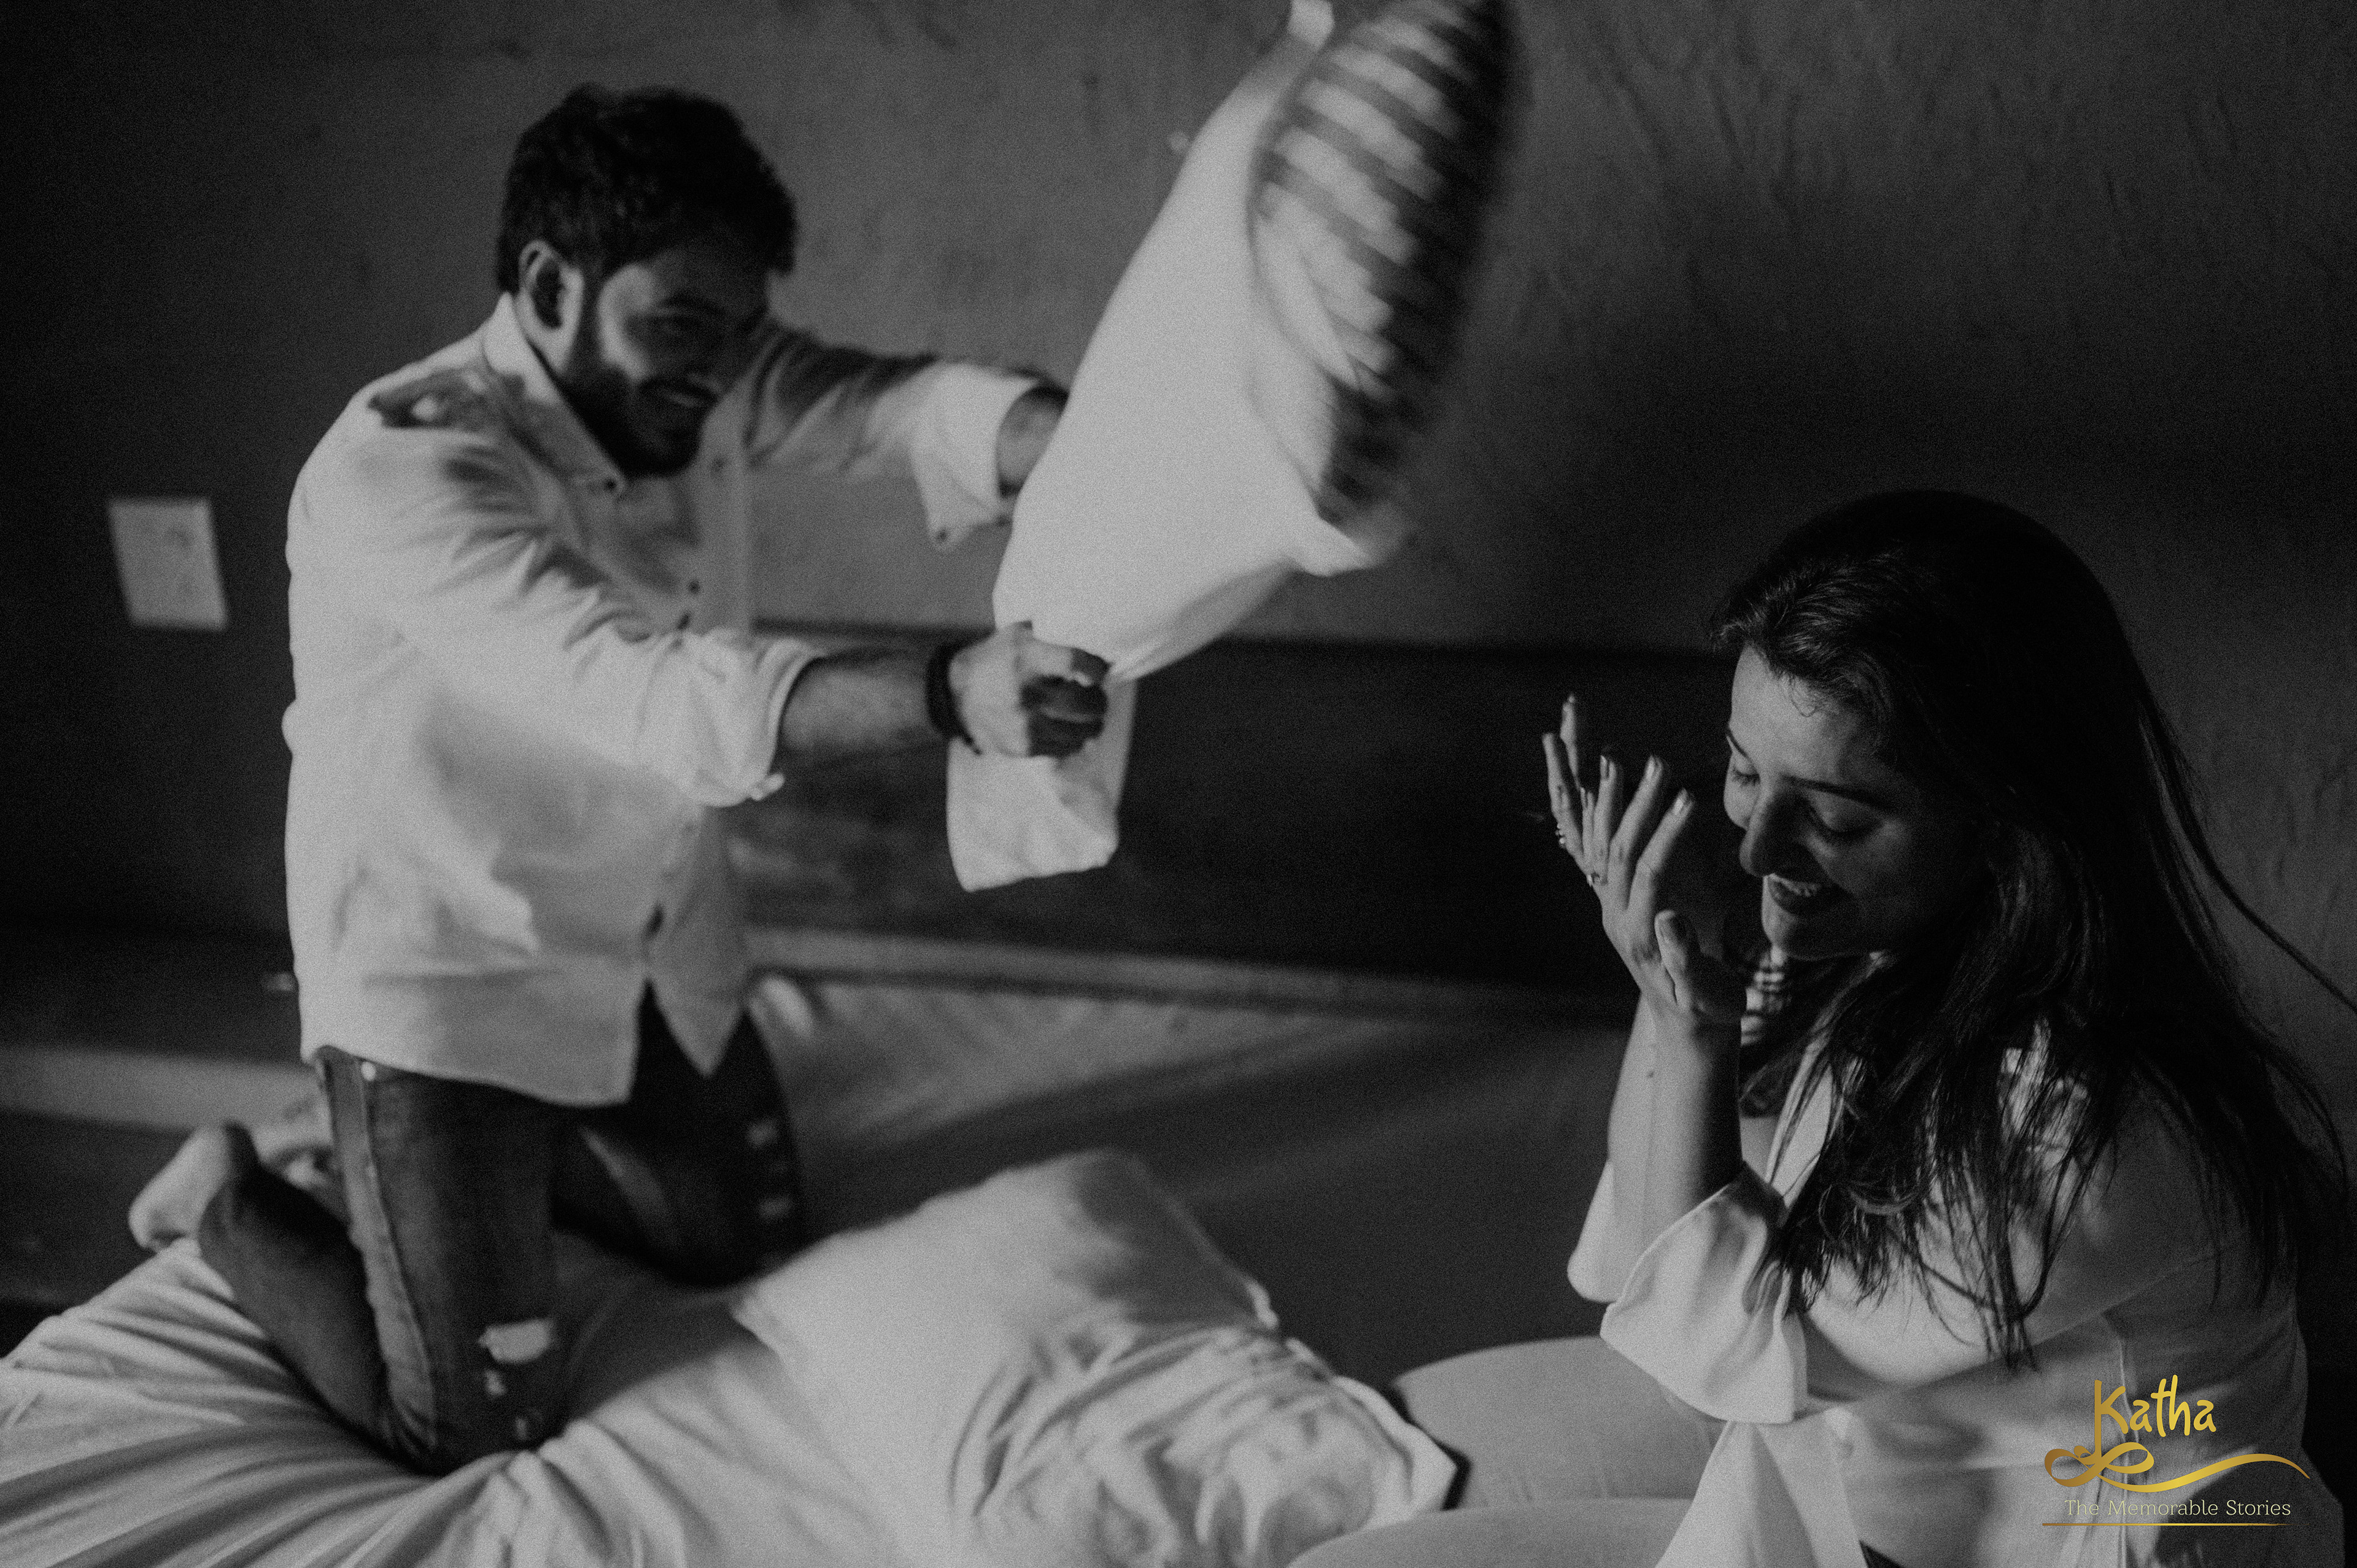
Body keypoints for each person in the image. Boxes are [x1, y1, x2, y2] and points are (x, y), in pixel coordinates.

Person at [123, 85, 1108, 1475]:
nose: (721, 372)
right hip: (447, 975)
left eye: (741, 331)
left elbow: (890, 406)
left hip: (646, 941)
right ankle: (234, 1192)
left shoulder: (703, 372)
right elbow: (647, 697)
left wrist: (1073, 446)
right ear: (549, 286)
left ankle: (457, 1176)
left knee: (740, 1239)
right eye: (685, 327)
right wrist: (948, 693)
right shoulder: (400, 472)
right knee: (467, 1427)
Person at [1301, 492, 2348, 1566]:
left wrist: (1694, 1031)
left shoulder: (2077, 1118)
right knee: (1366, 1460)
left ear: (2006, 825)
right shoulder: (1879, 954)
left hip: (2035, 1540)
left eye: (1836, 816)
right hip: (1856, 1449)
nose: (1757, 849)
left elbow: (1709, 1346)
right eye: (1744, 770)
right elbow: (1646, 1270)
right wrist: (1668, 974)